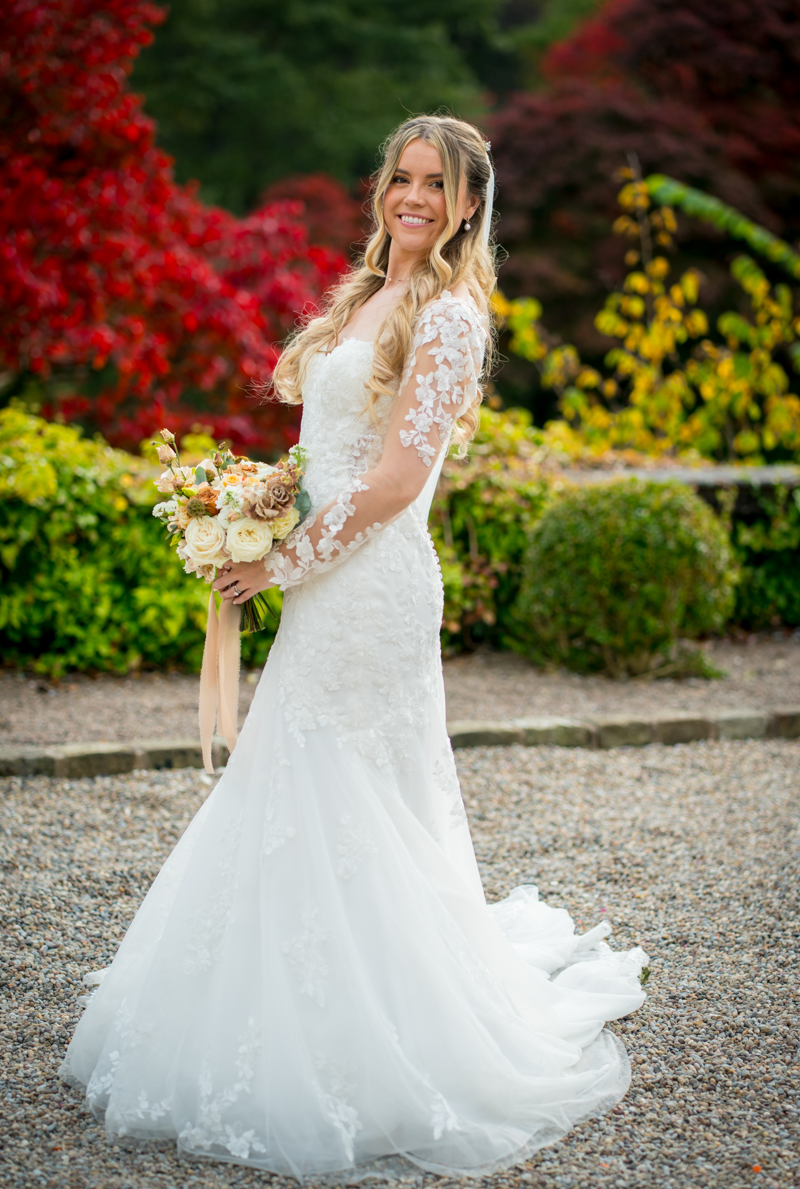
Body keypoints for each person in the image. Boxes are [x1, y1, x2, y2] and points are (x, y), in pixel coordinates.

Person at [60, 115, 648, 1180]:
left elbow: (390, 481)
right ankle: (272, 995)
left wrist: (277, 564)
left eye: (436, 186)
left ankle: (378, 1038)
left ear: (469, 205)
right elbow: (329, 452)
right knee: (298, 777)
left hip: (369, 583)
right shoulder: (367, 295)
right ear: (383, 190)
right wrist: (259, 506)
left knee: (346, 783)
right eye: (400, 179)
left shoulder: (451, 316)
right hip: (329, 571)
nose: (413, 198)